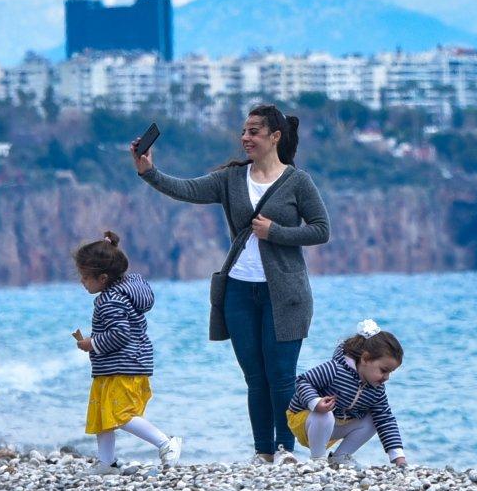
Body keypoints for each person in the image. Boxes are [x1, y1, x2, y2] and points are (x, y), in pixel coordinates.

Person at [133, 104, 330, 464]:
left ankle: (287, 449)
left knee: (282, 375)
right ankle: (263, 452)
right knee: (256, 377)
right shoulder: (231, 179)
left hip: (285, 294)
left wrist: (276, 232)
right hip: (238, 290)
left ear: (275, 137)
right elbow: (186, 189)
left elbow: (321, 230)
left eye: (254, 131)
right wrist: (149, 172)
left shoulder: (299, 182)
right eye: (243, 131)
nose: (245, 138)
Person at [74, 231, 182, 474]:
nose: (82, 282)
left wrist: (92, 343)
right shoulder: (123, 291)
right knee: (102, 414)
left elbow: (120, 334)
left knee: (121, 415)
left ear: (102, 278)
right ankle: (106, 463)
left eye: (84, 277)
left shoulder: (110, 301)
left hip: (123, 366)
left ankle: (166, 443)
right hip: (117, 365)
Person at [286, 319, 405, 468]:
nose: (386, 377)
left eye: (390, 373)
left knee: (376, 418)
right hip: (304, 420)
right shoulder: (335, 370)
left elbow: (386, 420)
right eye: (383, 370)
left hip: (334, 425)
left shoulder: (376, 390)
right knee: (325, 413)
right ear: (366, 359)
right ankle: (317, 459)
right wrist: (315, 403)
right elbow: (302, 381)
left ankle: (340, 457)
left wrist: (398, 456)